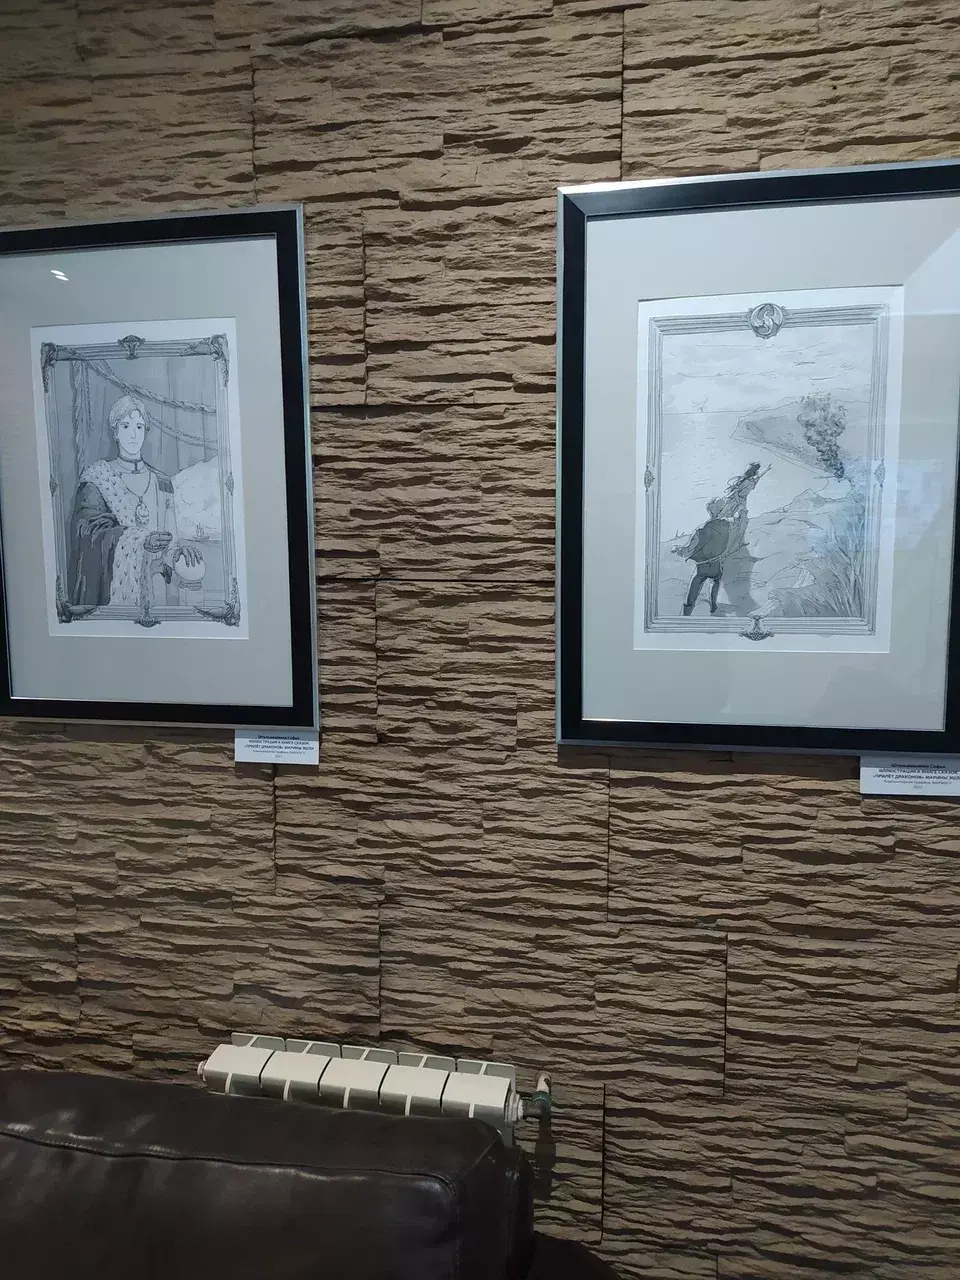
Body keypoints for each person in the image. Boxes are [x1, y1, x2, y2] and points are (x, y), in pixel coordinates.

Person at [68, 394, 201, 611]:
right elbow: (89, 534)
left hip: (157, 590)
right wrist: (140, 542)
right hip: (115, 590)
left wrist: (178, 552)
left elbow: (170, 545)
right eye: (126, 426)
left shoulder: (162, 482)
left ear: (145, 432)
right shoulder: (98, 480)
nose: (133, 434)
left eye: (139, 427)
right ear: (115, 432)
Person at [673, 499, 731, 616]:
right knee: (715, 582)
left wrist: (676, 549)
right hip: (717, 565)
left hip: (702, 567)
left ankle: (685, 616)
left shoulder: (701, 530)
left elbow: (687, 551)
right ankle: (713, 607)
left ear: (710, 511)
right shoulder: (726, 525)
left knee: (692, 594)